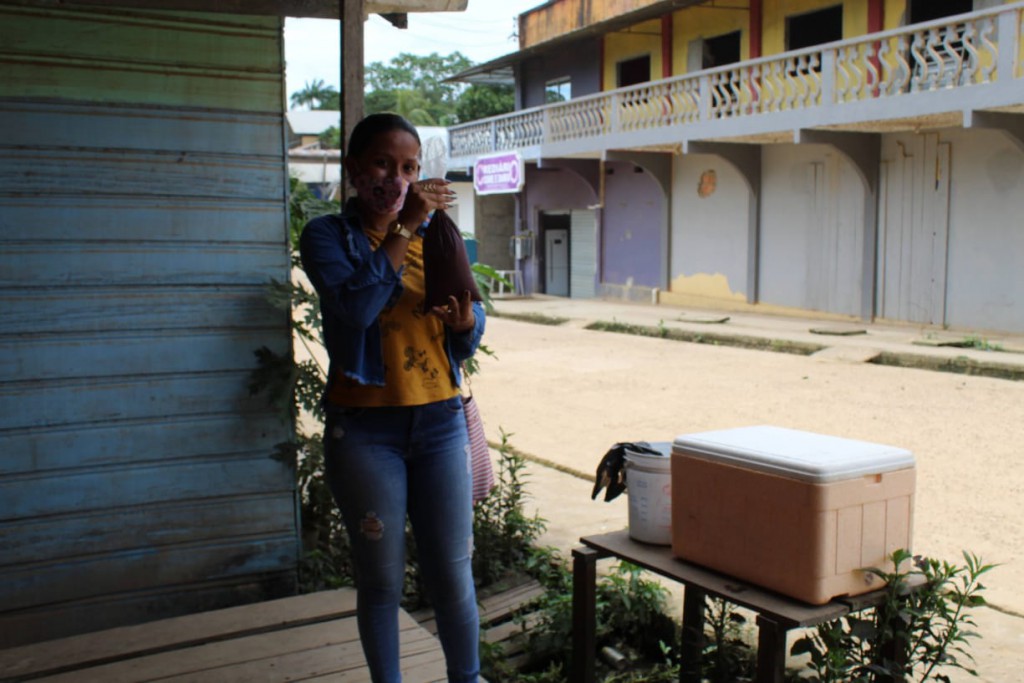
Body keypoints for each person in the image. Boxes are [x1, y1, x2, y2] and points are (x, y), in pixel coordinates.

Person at [299, 113, 485, 683]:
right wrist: (403, 229)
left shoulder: (440, 235)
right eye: (383, 164)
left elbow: (472, 329)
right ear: (354, 170)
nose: (397, 178)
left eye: (408, 168)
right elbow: (355, 309)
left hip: (441, 423)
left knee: (452, 574)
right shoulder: (327, 236)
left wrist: (463, 324)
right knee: (381, 580)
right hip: (366, 432)